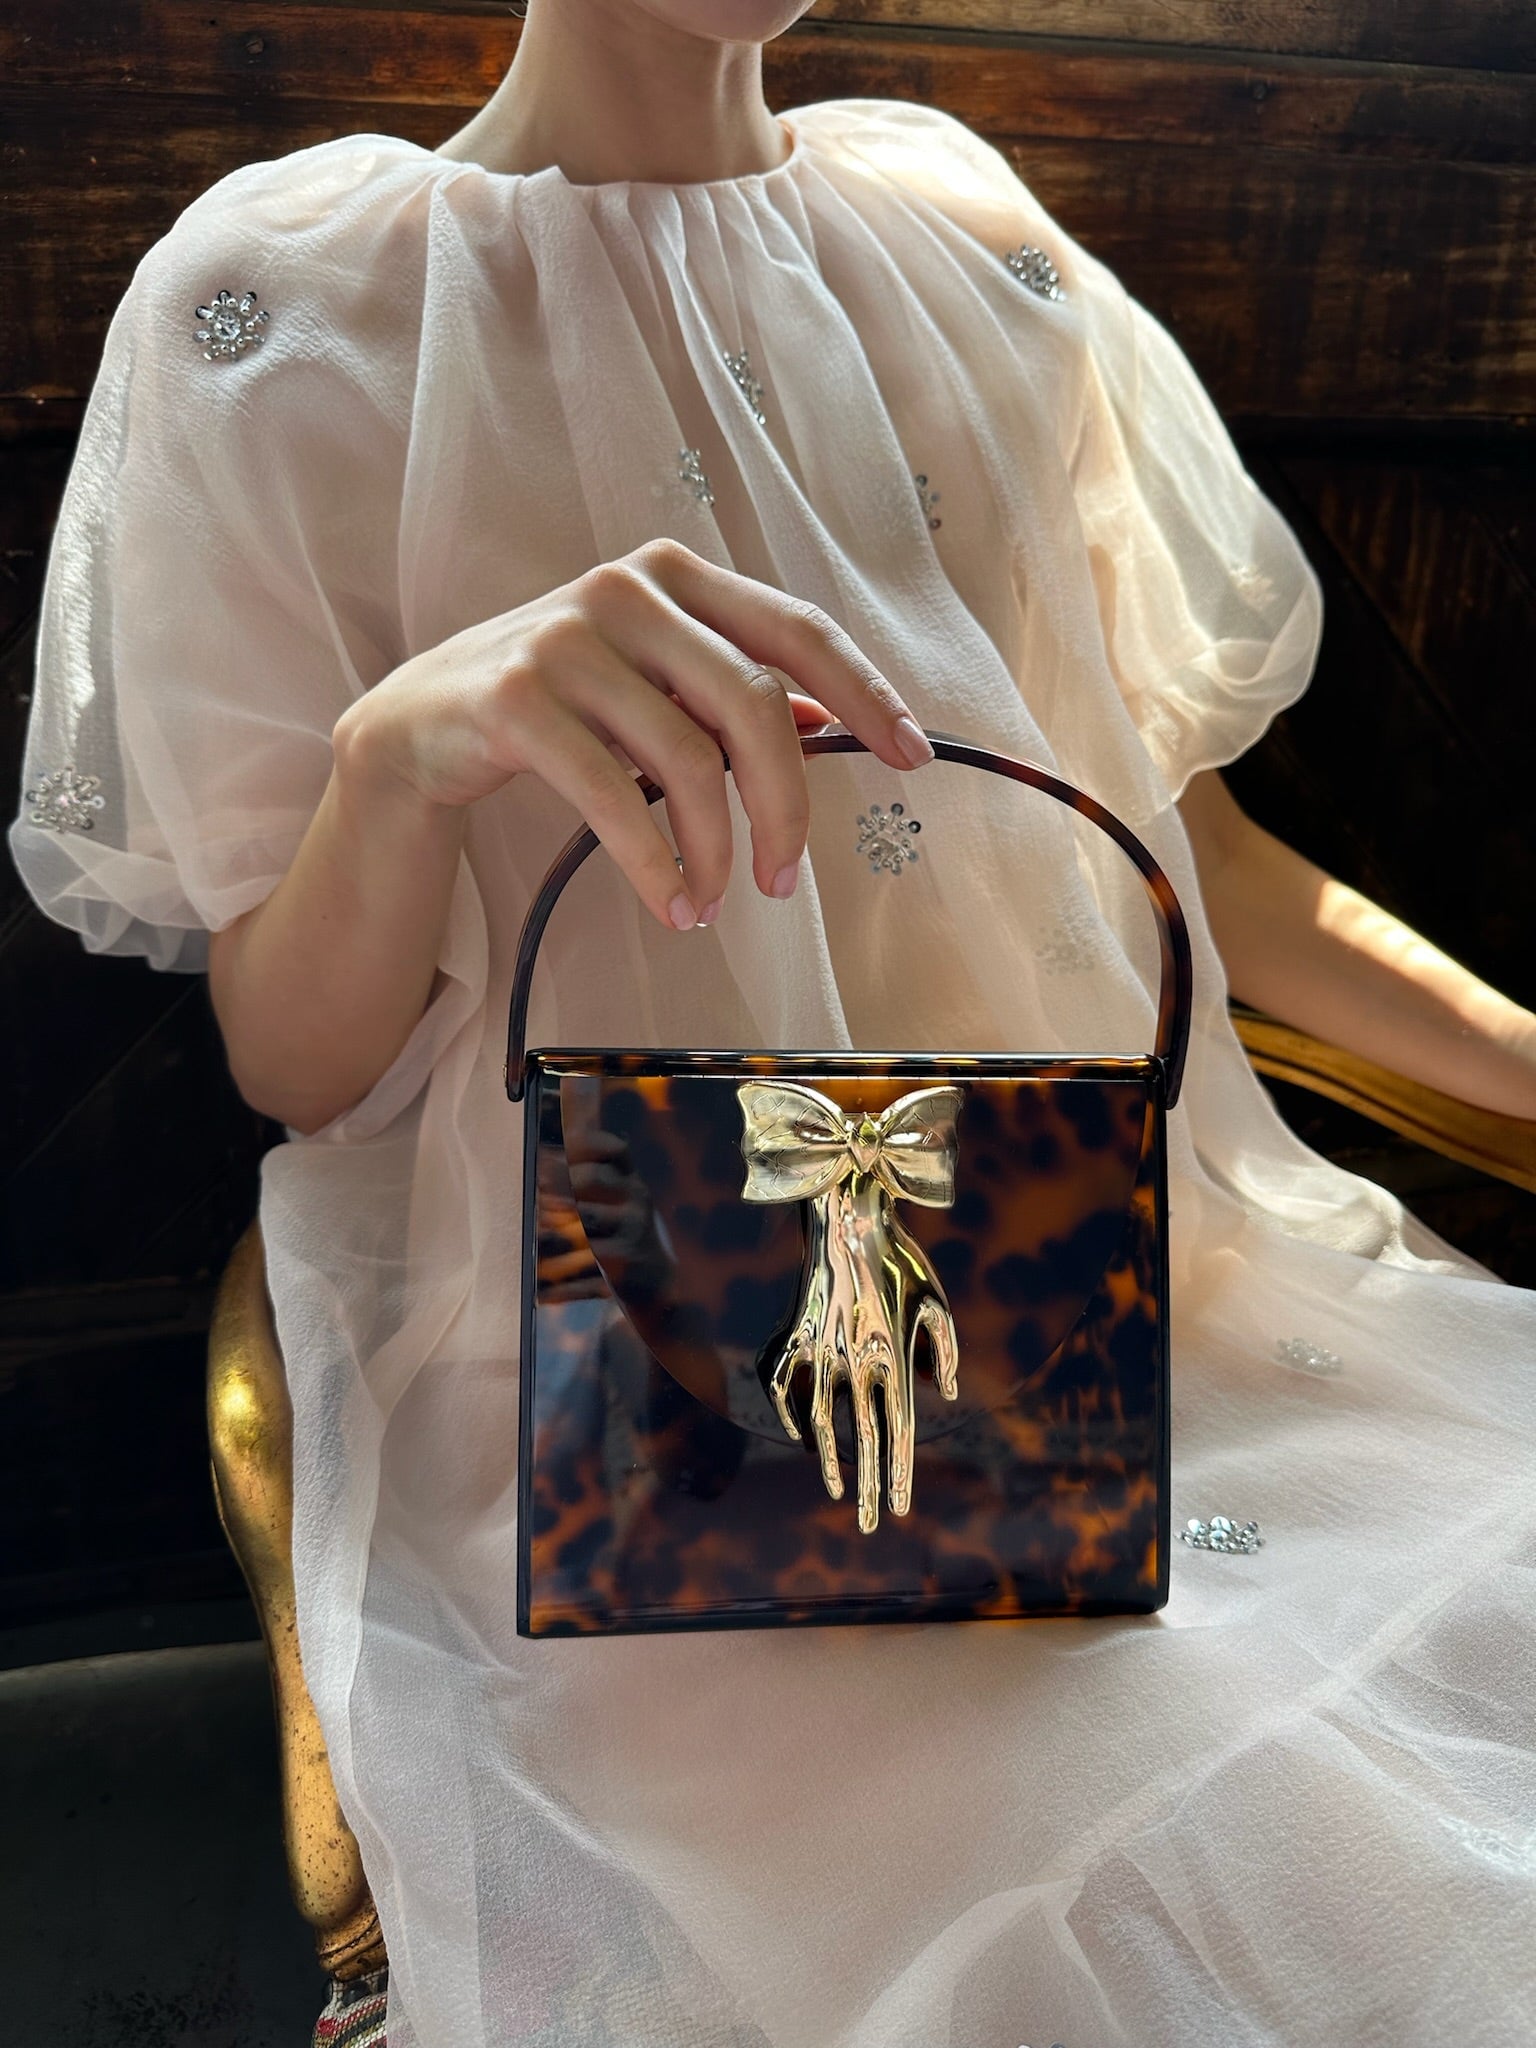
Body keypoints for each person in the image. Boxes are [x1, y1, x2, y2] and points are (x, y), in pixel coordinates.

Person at [11, 3, 1536, 2043]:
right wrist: (396, 759)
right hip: (619, 1382)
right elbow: (300, 1065)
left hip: (1124, 1310)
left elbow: (1204, 866)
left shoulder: (968, 242)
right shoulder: (279, 317)